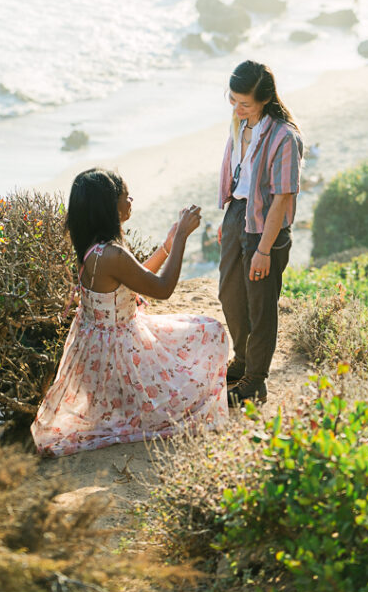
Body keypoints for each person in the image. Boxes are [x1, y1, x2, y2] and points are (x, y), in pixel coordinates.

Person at [31, 168, 229, 456]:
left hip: (98, 356)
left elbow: (137, 278)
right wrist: (184, 237)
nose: (131, 200)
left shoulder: (95, 248)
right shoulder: (113, 254)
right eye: (125, 196)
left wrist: (167, 245)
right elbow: (161, 289)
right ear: (108, 206)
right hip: (120, 357)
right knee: (210, 331)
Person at [217, 60, 303, 407]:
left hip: (267, 226)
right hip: (239, 215)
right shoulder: (239, 123)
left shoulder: (285, 137)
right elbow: (239, 176)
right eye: (233, 100)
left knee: (260, 306)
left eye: (245, 103)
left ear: (265, 99)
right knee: (229, 294)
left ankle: (255, 380)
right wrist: (230, 222)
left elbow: (283, 197)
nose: (237, 108)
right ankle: (242, 359)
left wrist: (264, 249)